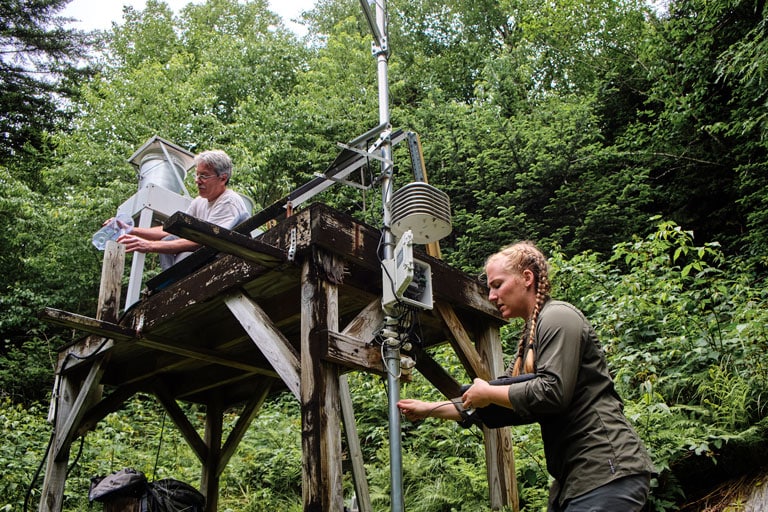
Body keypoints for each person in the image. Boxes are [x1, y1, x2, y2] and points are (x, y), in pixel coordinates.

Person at [397, 241, 654, 512]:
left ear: (527, 278)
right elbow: (494, 402)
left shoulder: (558, 317)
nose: (492, 296)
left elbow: (552, 392)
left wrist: (487, 393)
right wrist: (429, 410)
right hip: (577, 481)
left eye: (497, 285)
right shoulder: (528, 343)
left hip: (606, 468)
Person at [113, 149, 249, 269]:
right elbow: (172, 230)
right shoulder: (199, 202)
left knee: (182, 253)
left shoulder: (228, 201)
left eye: (204, 176)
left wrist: (149, 246)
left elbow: (204, 240)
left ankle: (172, 281)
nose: (197, 180)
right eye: (197, 175)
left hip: (228, 262)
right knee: (169, 240)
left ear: (223, 178)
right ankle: (169, 281)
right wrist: (131, 230)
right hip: (206, 259)